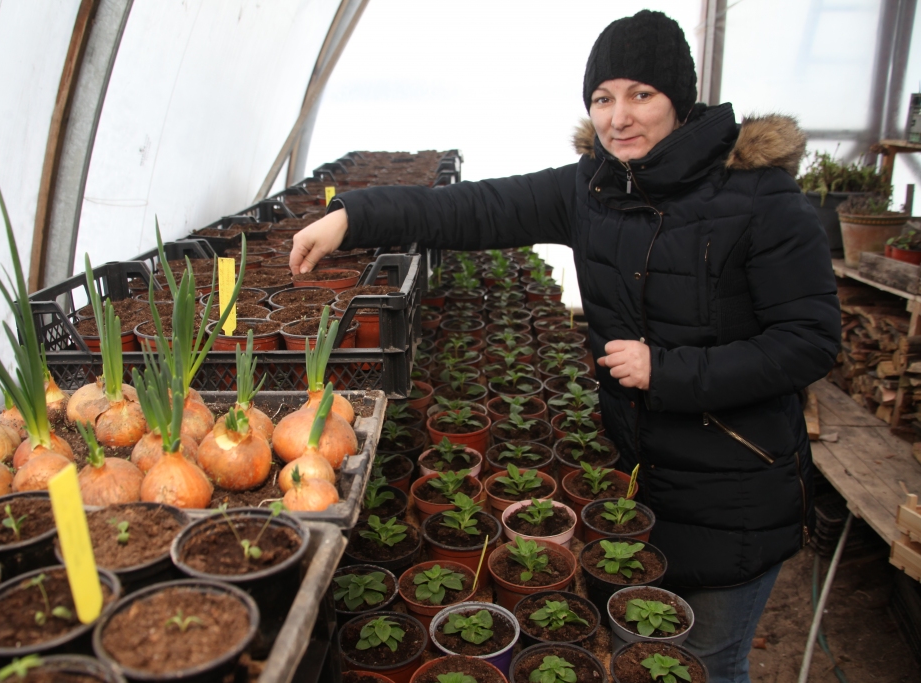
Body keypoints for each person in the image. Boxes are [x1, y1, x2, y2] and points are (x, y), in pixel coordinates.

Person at [291, 10, 841, 683]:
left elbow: (810, 341)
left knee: (710, 663)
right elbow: (478, 208)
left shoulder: (762, 200)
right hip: (634, 480)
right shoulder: (594, 186)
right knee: (637, 655)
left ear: (681, 99)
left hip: (737, 492)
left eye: (641, 94)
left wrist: (666, 368)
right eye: (602, 98)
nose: (619, 117)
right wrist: (355, 214)